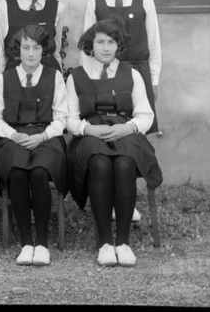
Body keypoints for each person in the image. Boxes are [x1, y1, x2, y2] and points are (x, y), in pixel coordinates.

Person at [66, 18, 163, 267]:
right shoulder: (76, 76)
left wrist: (126, 128)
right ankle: (105, 243)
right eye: (100, 42)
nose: (106, 48)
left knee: (124, 164)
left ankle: (123, 242)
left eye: (111, 42)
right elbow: (71, 120)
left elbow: (145, 115)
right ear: (91, 45)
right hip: (90, 135)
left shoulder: (132, 74)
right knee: (98, 163)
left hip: (125, 132)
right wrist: (90, 129)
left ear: (118, 45)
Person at [0, 25, 67, 266]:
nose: (31, 53)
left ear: (43, 50)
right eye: (26, 47)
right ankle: (26, 243)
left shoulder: (54, 76)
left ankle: (42, 242)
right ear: (18, 50)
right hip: (14, 136)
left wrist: (43, 136)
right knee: (17, 172)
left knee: (39, 172)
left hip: (46, 137)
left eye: (36, 47)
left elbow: (61, 118)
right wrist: (13, 136)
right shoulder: (5, 78)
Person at [81, 0, 161, 135]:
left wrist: (154, 79)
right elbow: (87, 46)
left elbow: (154, 44)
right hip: (104, 73)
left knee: (138, 128)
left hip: (138, 71)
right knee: (106, 125)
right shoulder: (95, 1)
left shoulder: (145, 1)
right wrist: (86, 78)